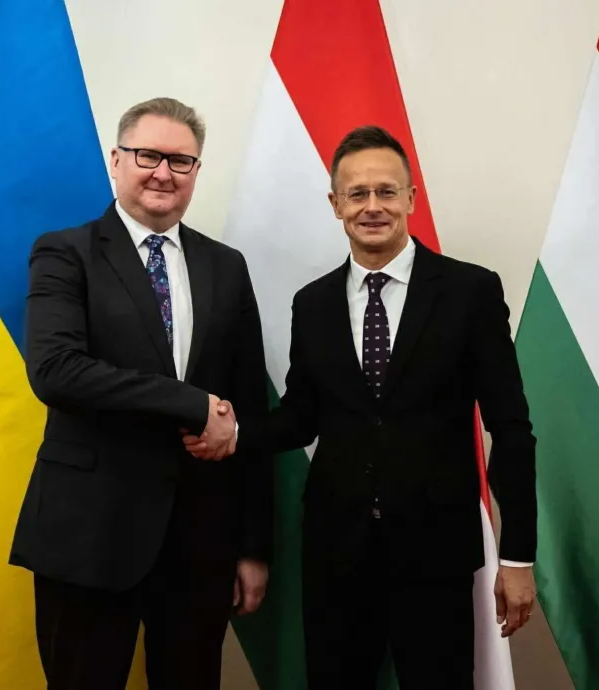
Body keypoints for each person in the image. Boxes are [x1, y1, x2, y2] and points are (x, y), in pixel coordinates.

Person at [185, 125, 538, 688]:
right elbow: (301, 418)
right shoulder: (313, 303)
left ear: (411, 199)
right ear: (336, 204)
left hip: (436, 555)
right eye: (357, 193)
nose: (372, 206)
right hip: (336, 553)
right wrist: (235, 434)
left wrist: (517, 558)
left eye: (386, 191)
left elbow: (511, 429)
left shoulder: (470, 292)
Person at [10, 96, 271, 690]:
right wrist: (190, 403)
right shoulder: (64, 252)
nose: (163, 173)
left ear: (197, 171)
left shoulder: (226, 266)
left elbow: (246, 410)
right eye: (148, 155)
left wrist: (253, 547)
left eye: (181, 161)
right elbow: (55, 371)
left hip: (200, 544)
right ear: (116, 160)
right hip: (89, 538)